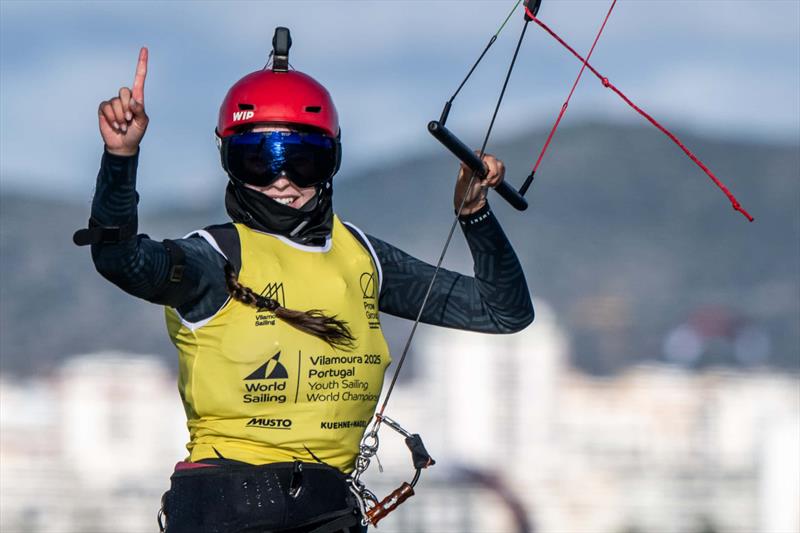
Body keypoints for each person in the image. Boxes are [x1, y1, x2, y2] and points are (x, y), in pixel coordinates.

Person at [76, 33, 533, 533]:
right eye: (259, 159)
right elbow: (121, 260)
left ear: (331, 162)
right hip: (223, 507)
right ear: (230, 162)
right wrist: (120, 160)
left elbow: (502, 311)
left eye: (302, 160)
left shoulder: (362, 257)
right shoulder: (211, 258)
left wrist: (474, 214)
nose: (283, 181)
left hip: (328, 511)